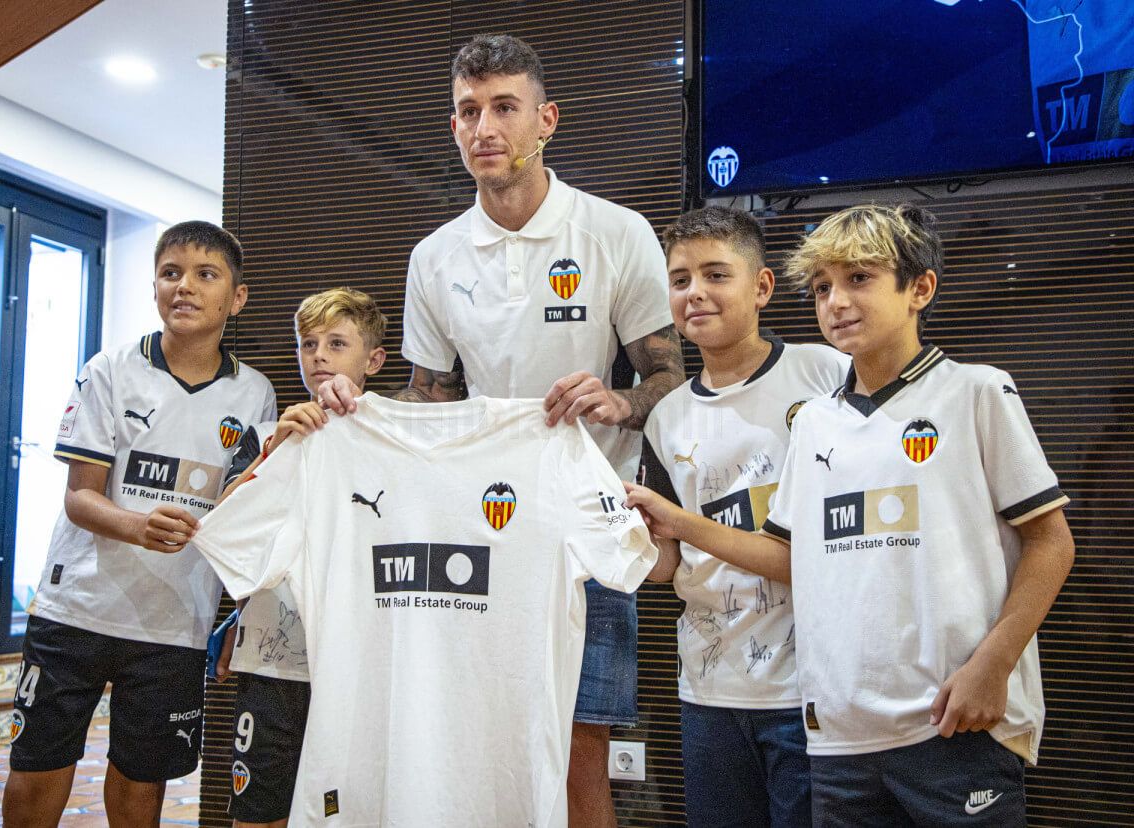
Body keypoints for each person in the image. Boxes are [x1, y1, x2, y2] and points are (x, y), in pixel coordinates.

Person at [320, 34, 684, 827]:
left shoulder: (615, 232)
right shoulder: (435, 256)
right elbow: (429, 398)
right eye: (467, 111)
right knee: (473, 745)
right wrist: (356, 408)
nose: (484, 127)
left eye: (504, 108)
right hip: (479, 530)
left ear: (545, 119)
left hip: (586, 531)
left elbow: (669, 379)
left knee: (579, 760)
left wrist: (621, 402)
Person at [626, 204, 1074, 827]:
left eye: (859, 279)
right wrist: (656, 526)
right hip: (836, 731)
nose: (836, 301)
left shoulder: (975, 391)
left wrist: (992, 666)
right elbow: (786, 555)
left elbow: (1052, 543)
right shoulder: (816, 421)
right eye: (822, 288)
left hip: (954, 717)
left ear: (920, 288)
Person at [2, 221, 276, 828]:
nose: (184, 287)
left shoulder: (256, 394)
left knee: (141, 777)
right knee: (38, 764)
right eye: (170, 272)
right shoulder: (109, 370)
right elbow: (80, 499)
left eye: (206, 275)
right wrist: (137, 527)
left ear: (237, 297)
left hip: (175, 624)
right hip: (76, 609)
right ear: (155, 285)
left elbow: (244, 509)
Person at [640, 206, 847, 826]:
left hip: (815, 688)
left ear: (761, 287)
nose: (694, 293)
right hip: (710, 691)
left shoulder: (828, 372)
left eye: (714, 275)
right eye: (680, 280)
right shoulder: (664, 417)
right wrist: (624, 534)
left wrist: (678, 524)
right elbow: (663, 569)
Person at [215, 287, 386, 828]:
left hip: (361, 662)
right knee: (259, 808)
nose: (319, 355)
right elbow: (220, 523)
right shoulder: (266, 434)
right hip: (273, 657)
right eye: (308, 343)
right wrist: (273, 453)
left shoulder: (397, 439)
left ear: (373, 360)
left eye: (337, 343)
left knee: (349, 811)